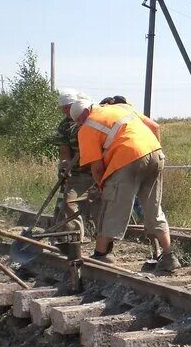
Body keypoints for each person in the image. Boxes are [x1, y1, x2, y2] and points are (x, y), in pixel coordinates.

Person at [70, 98, 181, 272]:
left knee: (111, 205)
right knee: (154, 207)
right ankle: (169, 256)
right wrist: (153, 150)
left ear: (80, 118)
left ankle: (101, 256)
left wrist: (102, 188)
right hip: (155, 152)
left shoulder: (87, 127)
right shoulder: (121, 108)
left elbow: (97, 168)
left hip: (128, 159)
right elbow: (155, 127)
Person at [53, 89, 94, 244]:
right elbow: (64, 151)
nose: (65, 111)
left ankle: (95, 234)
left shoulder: (90, 119)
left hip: (96, 169)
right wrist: (64, 167)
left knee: (96, 205)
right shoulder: (64, 126)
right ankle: (71, 235)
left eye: (67, 107)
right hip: (76, 172)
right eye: (63, 108)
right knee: (67, 203)